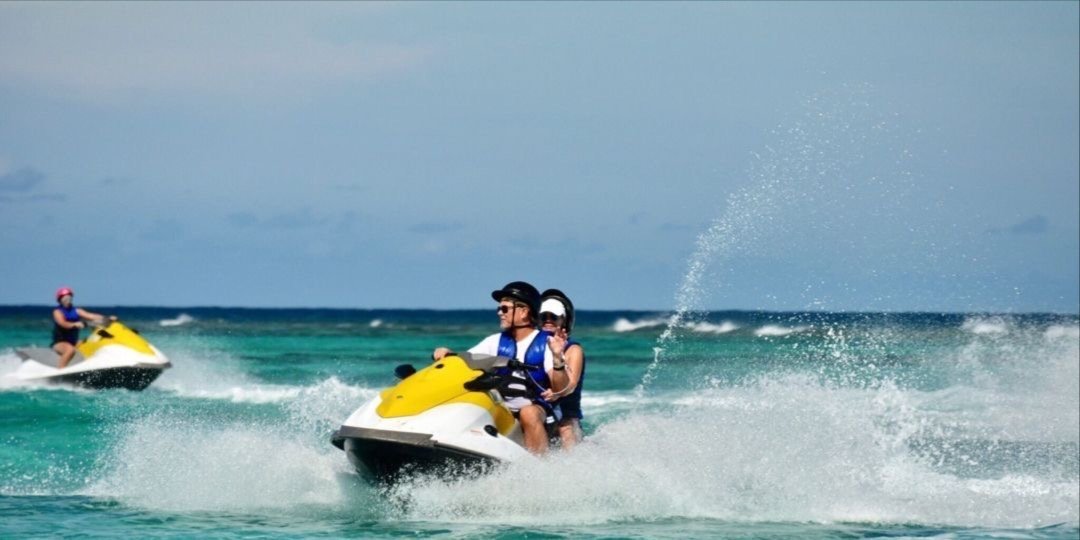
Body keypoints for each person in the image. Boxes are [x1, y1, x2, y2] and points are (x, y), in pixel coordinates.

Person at [432, 281, 569, 454]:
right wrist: (448, 354)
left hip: (542, 411)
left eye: (504, 309)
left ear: (524, 312)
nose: (499, 313)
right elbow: (465, 362)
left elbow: (560, 388)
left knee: (528, 413)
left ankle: (539, 466)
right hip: (502, 408)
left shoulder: (546, 343)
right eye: (499, 309)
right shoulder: (495, 341)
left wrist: (557, 358)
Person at [537, 289, 586, 450]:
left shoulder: (573, 350)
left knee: (566, 429)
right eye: (543, 316)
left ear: (564, 320)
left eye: (553, 317)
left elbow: (571, 384)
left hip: (565, 416)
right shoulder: (532, 347)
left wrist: (558, 393)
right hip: (540, 412)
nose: (548, 320)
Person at [51, 287, 110, 369]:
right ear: (60, 300)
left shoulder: (76, 311)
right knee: (70, 350)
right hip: (59, 342)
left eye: (69, 297)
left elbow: (91, 316)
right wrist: (74, 324)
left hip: (74, 342)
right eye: (65, 298)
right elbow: (63, 324)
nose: (68, 299)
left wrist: (107, 318)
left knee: (90, 342)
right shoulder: (57, 312)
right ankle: (60, 370)